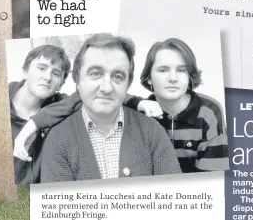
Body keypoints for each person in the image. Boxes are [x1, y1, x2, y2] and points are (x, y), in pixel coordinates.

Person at [39, 34, 181, 182]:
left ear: (128, 84)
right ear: (77, 79)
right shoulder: (58, 139)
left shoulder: (152, 132)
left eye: (118, 76)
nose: (106, 88)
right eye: (96, 74)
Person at [137, 39, 228, 173]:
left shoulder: (209, 112)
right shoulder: (139, 114)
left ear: (190, 76)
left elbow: (212, 181)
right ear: (149, 77)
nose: (173, 78)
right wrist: (136, 102)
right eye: (163, 70)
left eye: (181, 70)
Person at [9, 44, 71, 185]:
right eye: (41, 68)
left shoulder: (59, 104)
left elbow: (90, 95)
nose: (47, 77)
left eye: (56, 73)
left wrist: (132, 101)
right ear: (25, 71)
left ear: (61, 84)